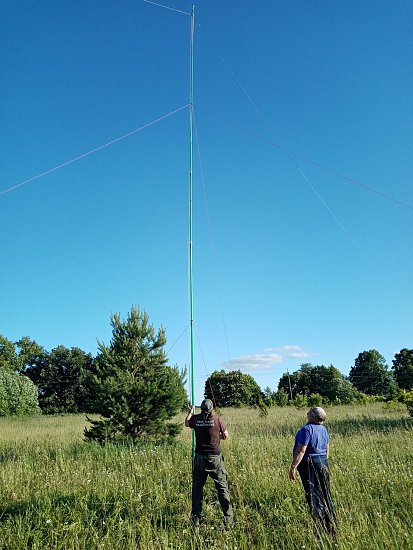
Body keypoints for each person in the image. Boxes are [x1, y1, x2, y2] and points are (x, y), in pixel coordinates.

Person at [185, 399, 234, 526]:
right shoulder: (218, 419)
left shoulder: (195, 419)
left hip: (199, 458)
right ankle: (228, 520)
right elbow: (226, 435)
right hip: (214, 459)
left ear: (201, 408)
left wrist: (190, 412)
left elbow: (186, 423)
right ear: (212, 408)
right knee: (222, 488)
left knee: (197, 488)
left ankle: (196, 518)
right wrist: (220, 436)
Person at [289, 407, 337, 535]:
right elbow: (327, 449)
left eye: (311, 410)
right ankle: (332, 525)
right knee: (326, 494)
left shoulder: (306, 429)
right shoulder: (324, 429)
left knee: (313, 495)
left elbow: (301, 450)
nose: (308, 411)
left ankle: (319, 529)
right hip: (323, 463)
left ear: (314, 417)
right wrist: (322, 463)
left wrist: (293, 467)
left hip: (309, 464)